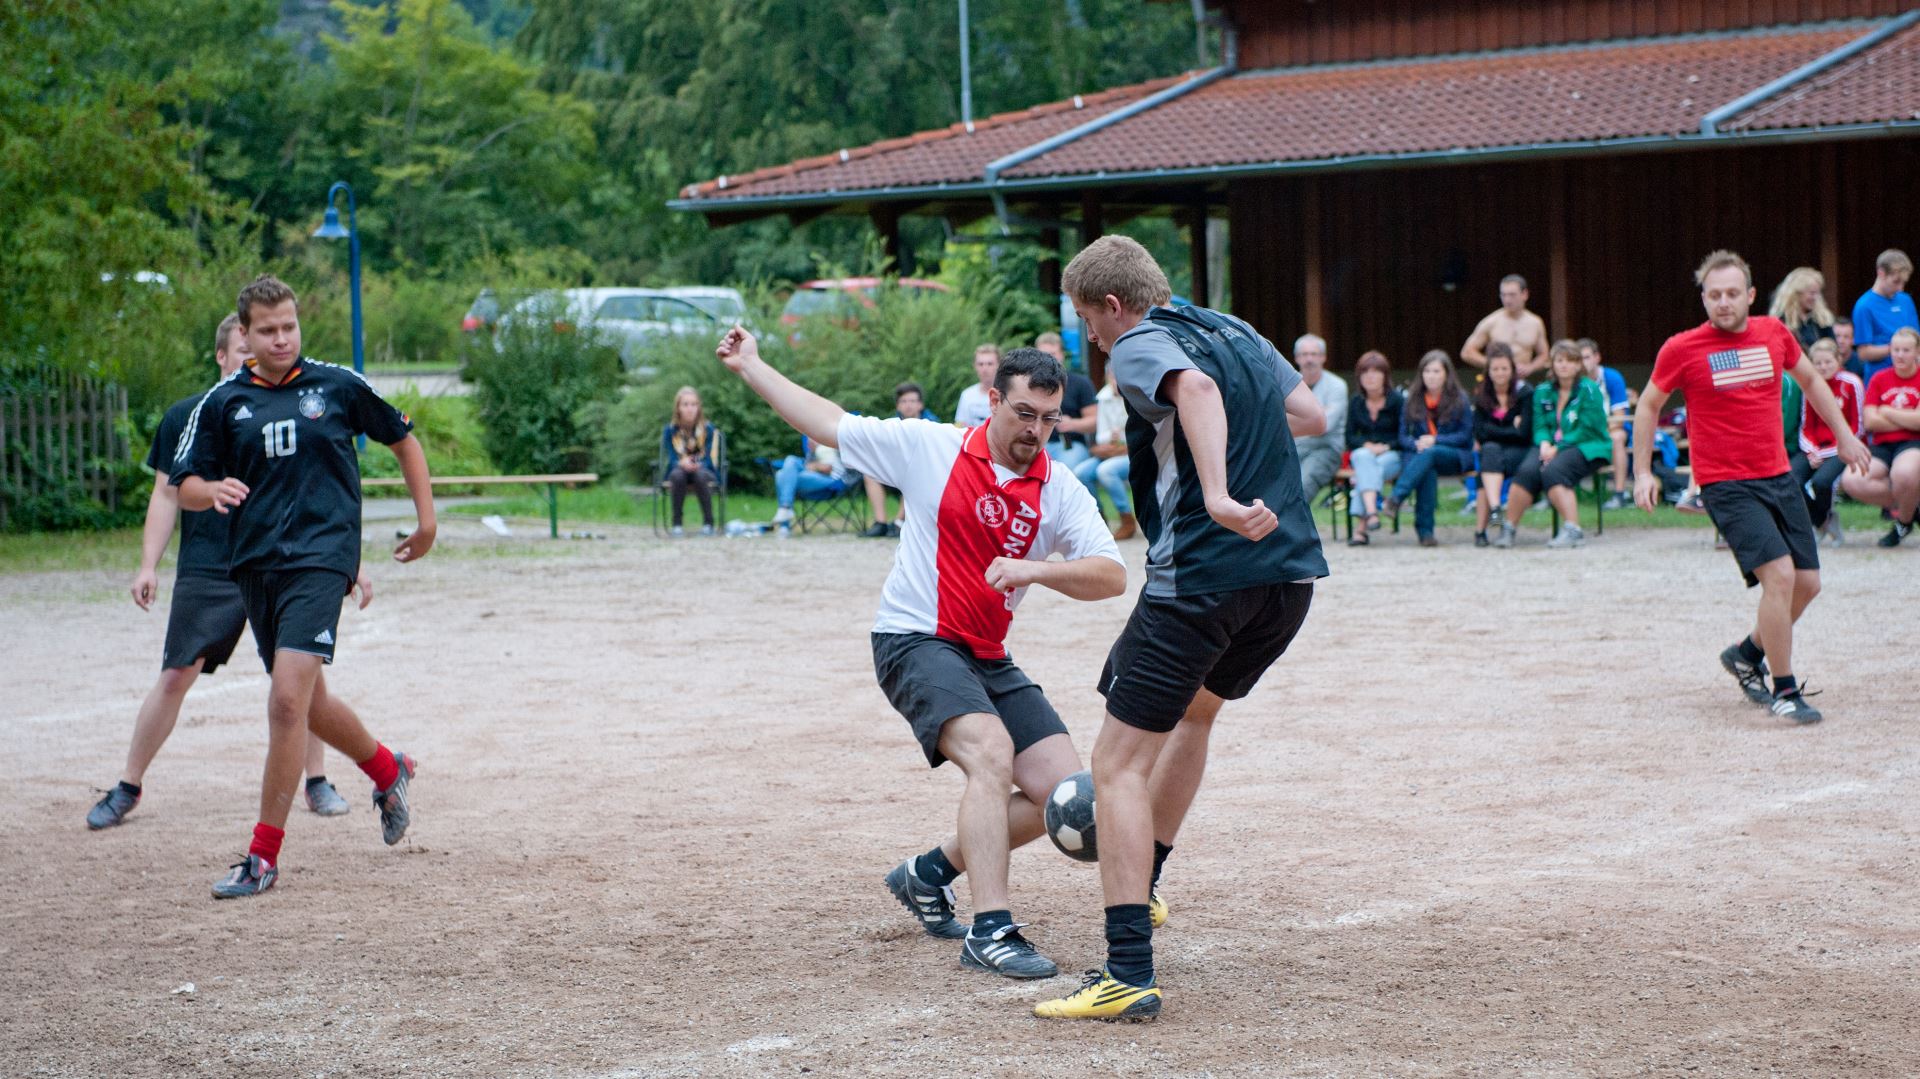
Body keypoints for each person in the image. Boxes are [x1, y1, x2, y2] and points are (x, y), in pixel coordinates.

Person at [714, 327, 1125, 981]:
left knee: (1065, 794)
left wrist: (1036, 569)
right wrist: (752, 366)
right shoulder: (928, 447)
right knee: (989, 753)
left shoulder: (1059, 486)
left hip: (987, 653)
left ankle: (929, 873)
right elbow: (829, 423)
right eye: (1024, 413)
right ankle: (991, 929)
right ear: (993, 399)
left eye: (1048, 418)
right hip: (913, 639)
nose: (1036, 430)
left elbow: (1111, 573)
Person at [1039, 234, 1328, 1022]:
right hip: (1288, 576)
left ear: (1111, 304)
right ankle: (1149, 884)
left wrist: (1222, 492)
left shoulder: (1138, 343)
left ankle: (1127, 969)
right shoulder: (1235, 328)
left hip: (1203, 574)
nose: (1091, 339)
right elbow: (1308, 410)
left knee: (1118, 762)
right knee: (1197, 713)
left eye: (1086, 319)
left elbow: (1194, 392)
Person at [172, 274, 436, 898]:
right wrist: (209, 491)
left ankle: (262, 858)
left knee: (286, 702)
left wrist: (426, 522)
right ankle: (386, 767)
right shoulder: (222, 404)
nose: (282, 338)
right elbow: (181, 483)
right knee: (309, 702)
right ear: (245, 334)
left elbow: (404, 440)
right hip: (256, 566)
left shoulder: (337, 385)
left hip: (322, 560)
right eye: (268, 330)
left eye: (289, 325)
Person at [87, 315, 361, 830]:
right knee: (176, 673)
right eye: (244, 351)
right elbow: (167, 493)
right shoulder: (191, 415)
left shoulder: (295, 407)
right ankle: (128, 784)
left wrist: (350, 564)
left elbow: (323, 492)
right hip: (211, 565)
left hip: (282, 560)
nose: (255, 359)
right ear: (223, 355)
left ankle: (317, 780)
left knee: (302, 682)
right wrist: (148, 565)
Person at [1632, 250, 1868, 725]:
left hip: (1778, 475)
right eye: (1714, 295)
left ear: (1751, 296)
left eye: (1732, 294)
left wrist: (1844, 435)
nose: (1723, 303)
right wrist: (1641, 472)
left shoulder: (1773, 334)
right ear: (1703, 298)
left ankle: (1745, 654)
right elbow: (1648, 406)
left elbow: (1811, 382)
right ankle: (1783, 690)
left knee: (1808, 583)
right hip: (1726, 483)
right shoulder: (1681, 348)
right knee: (1779, 576)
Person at [1496, 340, 1609, 549]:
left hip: (1587, 445)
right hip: (1549, 446)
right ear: (1552, 364)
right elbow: (1539, 425)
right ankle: (1508, 528)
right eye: (1559, 360)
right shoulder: (1542, 391)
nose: (1564, 365)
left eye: (1570, 361)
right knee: (1527, 471)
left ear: (1578, 365)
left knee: (1554, 470)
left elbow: (1588, 428)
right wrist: (1545, 444)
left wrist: (1558, 447)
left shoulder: (1589, 389)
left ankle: (1573, 530)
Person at [1382, 349, 1473, 546]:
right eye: (1427, 371)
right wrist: (1416, 443)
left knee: (1430, 454)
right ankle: (1426, 533)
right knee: (1427, 469)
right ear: (1421, 374)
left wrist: (1435, 440)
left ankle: (1397, 497)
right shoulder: (1411, 399)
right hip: (1421, 457)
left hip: (1454, 455)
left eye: (1437, 371)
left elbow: (1465, 436)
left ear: (1447, 374)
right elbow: (1403, 436)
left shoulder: (1460, 399)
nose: (1431, 376)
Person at [1840, 325, 1920, 547]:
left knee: (1904, 473)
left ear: (1917, 352)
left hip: (1914, 443)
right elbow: (1871, 422)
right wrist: (1908, 416)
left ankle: (1903, 522)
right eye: (1895, 350)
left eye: (1906, 350)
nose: (1900, 355)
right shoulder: (1879, 378)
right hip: (1883, 445)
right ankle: (1911, 504)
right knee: (1851, 480)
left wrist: (1886, 411)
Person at [1789, 339, 1865, 544]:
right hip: (1813, 447)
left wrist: (1825, 453)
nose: (1823, 367)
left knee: (1821, 482)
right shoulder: (1808, 385)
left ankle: (1822, 521)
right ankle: (1822, 522)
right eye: (1818, 363)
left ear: (1839, 360)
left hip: (1842, 447)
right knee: (1791, 481)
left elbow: (1857, 427)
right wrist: (1812, 450)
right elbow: (1806, 425)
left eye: (1828, 362)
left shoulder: (1852, 383)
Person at [1471, 345, 1533, 547]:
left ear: (1512, 370)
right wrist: (1510, 428)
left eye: (1504, 368)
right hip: (1493, 452)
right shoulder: (1482, 395)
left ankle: (1481, 530)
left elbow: (1524, 434)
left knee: (1487, 464)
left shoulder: (1525, 393)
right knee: (1489, 452)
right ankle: (1496, 509)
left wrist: (1493, 429)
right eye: (1495, 369)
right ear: (1488, 372)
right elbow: (1479, 432)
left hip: (1519, 452)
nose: (1500, 373)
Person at [861, 382, 939, 537]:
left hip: (923, 475)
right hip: (895, 471)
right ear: (897, 406)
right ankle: (880, 522)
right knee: (869, 472)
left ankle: (898, 522)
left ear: (920, 405)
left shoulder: (932, 425)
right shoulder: (890, 425)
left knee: (913, 471)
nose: (908, 405)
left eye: (912, 401)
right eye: (903, 401)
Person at [1345, 350, 1403, 546]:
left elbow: (1403, 436)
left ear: (1385, 375)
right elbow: (1350, 437)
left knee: (1366, 469)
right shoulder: (1356, 401)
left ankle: (1361, 528)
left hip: (1392, 455)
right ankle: (1372, 513)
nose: (1370, 376)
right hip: (1366, 455)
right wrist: (1367, 445)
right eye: (1364, 372)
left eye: (1375, 371)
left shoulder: (1397, 400)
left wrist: (1385, 447)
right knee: (1362, 456)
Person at [1073, 366, 1136, 539]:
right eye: (1112, 377)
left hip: (1132, 454)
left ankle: (1126, 519)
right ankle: (1099, 519)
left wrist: (1118, 439)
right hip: (1110, 451)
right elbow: (1101, 435)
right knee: (1081, 472)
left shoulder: (1135, 396)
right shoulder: (1103, 398)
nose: (1115, 382)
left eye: (1118, 377)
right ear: (1107, 377)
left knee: (1106, 471)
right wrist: (1110, 439)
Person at [1578, 338, 1635, 511]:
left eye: (1587, 357)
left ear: (1597, 357)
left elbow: (1618, 418)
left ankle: (1619, 495)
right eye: (1579, 358)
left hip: (1611, 429)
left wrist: (1597, 432)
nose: (1583, 362)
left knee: (1617, 438)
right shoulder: (1573, 382)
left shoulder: (1612, 377)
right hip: (1582, 431)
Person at [1292, 334, 1348, 505]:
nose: (1309, 359)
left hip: (1325, 449)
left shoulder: (1336, 385)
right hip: (1292, 447)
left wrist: (1291, 420)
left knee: (1302, 484)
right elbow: (1274, 422)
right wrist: (1313, 417)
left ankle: (1290, 529)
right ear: (1296, 358)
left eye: (1314, 354)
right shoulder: (1287, 383)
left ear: (1323, 357)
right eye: (1304, 354)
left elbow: (1324, 425)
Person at [1035, 332, 1099, 481]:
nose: (1048, 360)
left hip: (1070, 445)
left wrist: (1072, 424)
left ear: (1062, 355)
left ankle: (1090, 504)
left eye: (1053, 354)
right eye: (1043, 355)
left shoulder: (1080, 383)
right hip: (1037, 444)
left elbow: (1095, 422)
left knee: (1062, 473)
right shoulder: (1029, 386)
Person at [1461, 274, 1550, 379]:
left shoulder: (1535, 323)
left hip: (1521, 381)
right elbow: (1467, 352)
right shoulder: (1491, 322)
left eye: (1512, 295)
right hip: (1496, 381)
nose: (1507, 300)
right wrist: (1495, 365)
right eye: (1503, 295)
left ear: (1524, 294)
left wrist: (1530, 367)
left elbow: (1544, 355)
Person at [1850, 249, 1916, 386]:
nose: (1900, 288)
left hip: (1911, 376)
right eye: (1896, 282)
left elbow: (1916, 338)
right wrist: (1898, 349)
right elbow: (1863, 353)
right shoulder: (1864, 306)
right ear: (1881, 273)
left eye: (1903, 283)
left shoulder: (1906, 300)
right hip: (1881, 378)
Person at [661, 385, 719, 537]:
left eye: (693, 404)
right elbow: (673, 458)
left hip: (704, 470)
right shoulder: (670, 430)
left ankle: (708, 523)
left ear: (699, 407)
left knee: (700, 474)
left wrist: (697, 464)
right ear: (678, 408)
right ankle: (677, 525)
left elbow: (708, 458)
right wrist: (682, 463)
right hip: (679, 470)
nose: (690, 409)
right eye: (685, 404)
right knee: (677, 475)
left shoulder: (708, 429)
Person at [770, 438, 848, 535]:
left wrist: (815, 466)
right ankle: (785, 511)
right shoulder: (812, 439)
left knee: (782, 475)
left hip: (832, 480)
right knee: (788, 465)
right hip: (812, 476)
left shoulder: (834, 437)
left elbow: (828, 468)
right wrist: (813, 452)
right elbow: (808, 464)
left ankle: (785, 519)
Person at [1769, 266, 1837, 354]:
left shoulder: (1822, 320)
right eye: (1812, 293)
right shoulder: (1780, 320)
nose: (1816, 297)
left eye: (1818, 293)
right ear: (1796, 294)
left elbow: (1834, 350)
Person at [952, 343, 999, 428]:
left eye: (990, 364)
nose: (985, 369)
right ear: (975, 366)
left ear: (998, 365)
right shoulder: (967, 395)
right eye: (981, 364)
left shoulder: (1006, 394)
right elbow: (960, 426)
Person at [1833, 317, 1861, 381]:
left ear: (1854, 339)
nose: (1841, 341)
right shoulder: (1825, 363)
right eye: (1837, 336)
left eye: (1846, 337)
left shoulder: (1861, 364)